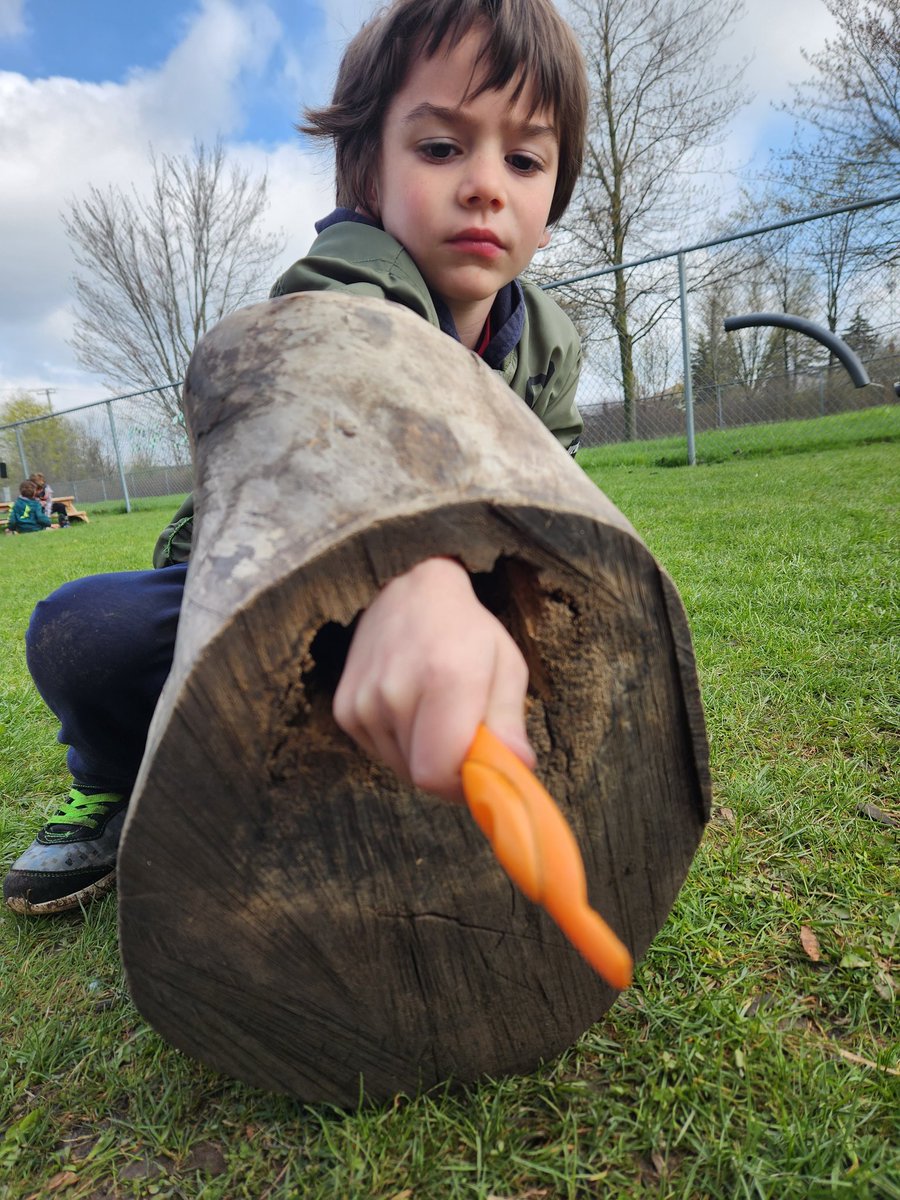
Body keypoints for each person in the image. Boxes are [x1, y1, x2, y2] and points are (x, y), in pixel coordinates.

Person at [3, 0, 588, 916]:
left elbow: (553, 491)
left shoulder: (548, 342)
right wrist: (412, 564)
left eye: (524, 159)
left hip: (436, 608)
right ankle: (115, 780)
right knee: (85, 631)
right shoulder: (354, 274)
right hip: (259, 580)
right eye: (441, 148)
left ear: (552, 204)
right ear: (369, 177)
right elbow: (336, 386)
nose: (485, 185)